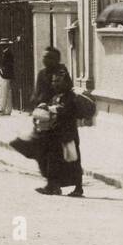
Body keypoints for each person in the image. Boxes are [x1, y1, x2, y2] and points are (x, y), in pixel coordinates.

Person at [34, 68, 83, 197]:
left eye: (58, 81)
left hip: (68, 134)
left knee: (73, 160)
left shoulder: (70, 96)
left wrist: (50, 108)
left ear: (65, 82)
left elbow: (65, 109)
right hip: (56, 133)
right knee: (53, 160)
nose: (54, 84)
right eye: (53, 81)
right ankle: (53, 187)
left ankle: (78, 188)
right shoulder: (56, 96)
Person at [0, 42, 15, 116]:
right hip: (5, 74)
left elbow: (8, 65)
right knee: (7, 92)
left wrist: (1, 70)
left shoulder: (7, 54)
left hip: (5, 75)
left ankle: (3, 108)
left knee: (4, 91)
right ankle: (8, 109)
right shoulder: (7, 53)